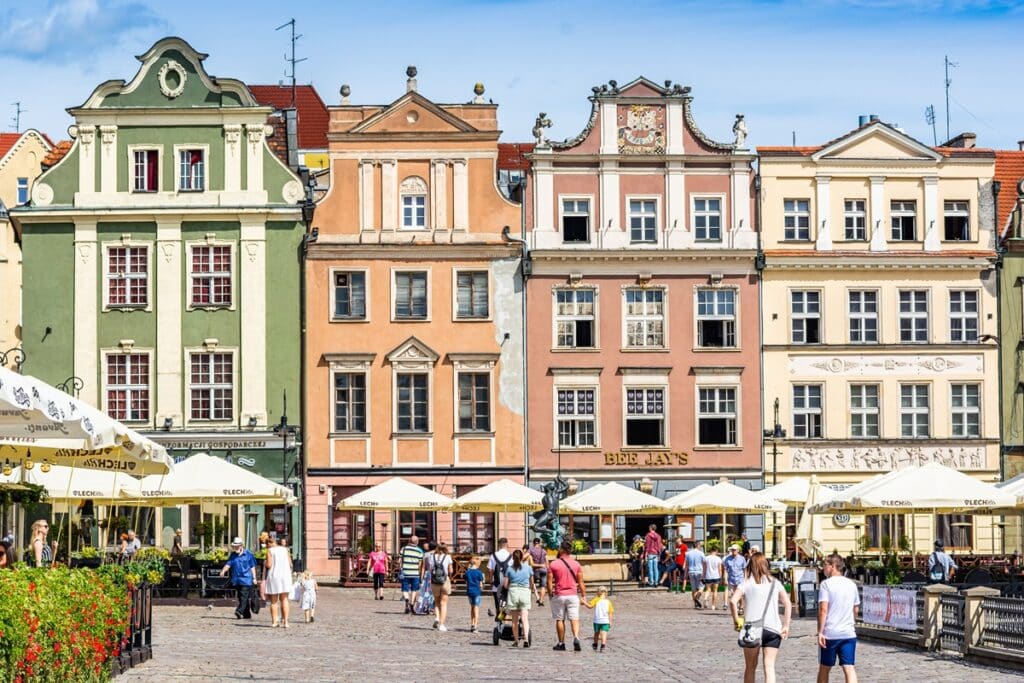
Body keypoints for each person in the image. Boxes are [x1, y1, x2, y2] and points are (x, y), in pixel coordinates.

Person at [730, 552, 791, 683]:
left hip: (751, 628)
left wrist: (736, 620)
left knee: (750, 667)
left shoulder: (746, 583)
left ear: (750, 566)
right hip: (773, 628)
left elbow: (733, 601)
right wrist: (786, 625)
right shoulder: (775, 583)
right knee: (769, 666)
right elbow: (787, 603)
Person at [817, 553, 860, 683]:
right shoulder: (851, 584)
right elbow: (856, 609)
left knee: (825, 667)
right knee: (849, 667)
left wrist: (820, 631)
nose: (823, 568)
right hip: (848, 633)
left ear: (833, 566)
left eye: (825, 564)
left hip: (830, 633)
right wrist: (850, 621)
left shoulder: (826, 584)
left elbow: (823, 609)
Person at [547, 539, 587, 652]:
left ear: (561, 550)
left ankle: (561, 643)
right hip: (573, 595)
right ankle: (576, 637)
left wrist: (550, 594)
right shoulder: (576, 564)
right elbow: (581, 582)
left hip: (559, 594)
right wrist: (583, 595)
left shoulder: (554, 564)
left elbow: (549, 582)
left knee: (560, 619)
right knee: (574, 618)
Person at [219, 537, 257, 620]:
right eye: (234, 546)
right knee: (241, 597)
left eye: (236, 546)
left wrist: (254, 578)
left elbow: (252, 567)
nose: (235, 548)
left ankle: (239, 611)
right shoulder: (233, 555)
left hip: (246, 579)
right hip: (236, 580)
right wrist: (223, 571)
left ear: (241, 546)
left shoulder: (248, 554)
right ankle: (247, 614)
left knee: (243, 596)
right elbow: (228, 564)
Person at [504, 549, 534, 647]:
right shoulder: (528, 568)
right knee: (525, 618)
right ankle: (526, 639)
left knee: (514, 620)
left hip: (513, 592)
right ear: (522, 557)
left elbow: (505, 585)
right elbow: (532, 583)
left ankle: (516, 640)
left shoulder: (509, 569)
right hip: (525, 591)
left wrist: (511, 587)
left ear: (513, 558)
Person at [264, 535, 294, 628]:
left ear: (270, 543)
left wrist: (264, 563)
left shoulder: (270, 551)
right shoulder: (285, 550)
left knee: (274, 601)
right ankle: (286, 622)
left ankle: (274, 622)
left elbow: (269, 565)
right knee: (284, 599)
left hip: (274, 576)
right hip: (285, 576)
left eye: (267, 545)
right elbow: (290, 564)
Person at [426, 543, 453, 632]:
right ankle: (441, 624)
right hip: (444, 581)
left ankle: (437, 618)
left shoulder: (432, 557)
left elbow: (430, 570)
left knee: (437, 602)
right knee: (444, 603)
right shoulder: (447, 557)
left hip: (434, 582)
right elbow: (451, 570)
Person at [399, 535, 425, 614]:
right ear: (417, 542)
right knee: (414, 589)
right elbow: (420, 564)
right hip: (415, 573)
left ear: (409, 541)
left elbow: (400, 561)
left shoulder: (404, 549)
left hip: (405, 572)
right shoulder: (419, 551)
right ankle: (412, 603)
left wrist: (401, 569)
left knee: (405, 588)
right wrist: (420, 573)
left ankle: (406, 599)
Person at [488, 537, 512, 616]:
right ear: (507, 544)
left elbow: (490, 570)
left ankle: (499, 622)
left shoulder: (493, 556)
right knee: (505, 604)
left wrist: (490, 580)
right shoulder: (511, 556)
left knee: (497, 604)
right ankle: (504, 620)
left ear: (499, 545)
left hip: (496, 584)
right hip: (507, 584)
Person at [587, 586, 614, 651]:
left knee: (596, 633)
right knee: (604, 633)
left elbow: (590, 606)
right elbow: (610, 612)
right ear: (606, 593)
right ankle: (603, 645)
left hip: (597, 620)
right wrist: (610, 621)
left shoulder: (596, 599)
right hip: (605, 620)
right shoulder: (608, 601)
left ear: (598, 593)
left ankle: (595, 644)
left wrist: (584, 602)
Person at [465, 556, 484, 632]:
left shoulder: (467, 572)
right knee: (476, 608)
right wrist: (481, 588)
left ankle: (472, 624)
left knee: (472, 608)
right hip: (476, 592)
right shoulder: (479, 572)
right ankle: (475, 626)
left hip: (469, 591)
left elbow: (466, 583)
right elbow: (481, 584)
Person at [684, 540, 706, 609]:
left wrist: (685, 574)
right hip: (699, 571)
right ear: (698, 545)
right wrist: (704, 573)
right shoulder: (701, 553)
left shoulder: (688, 553)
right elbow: (704, 563)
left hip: (691, 572)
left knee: (693, 589)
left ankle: (695, 604)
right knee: (701, 587)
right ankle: (697, 597)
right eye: (700, 545)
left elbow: (686, 565)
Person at [528, 538, 549, 605]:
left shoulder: (531, 550)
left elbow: (529, 561)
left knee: (532, 583)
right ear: (539, 543)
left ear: (533, 543)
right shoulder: (543, 551)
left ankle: (537, 597)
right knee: (543, 586)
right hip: (543, 570)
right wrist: (546, 567)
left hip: (535, 570)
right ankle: (541, 600)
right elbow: (547, 562)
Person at [704, 545, 725, 610]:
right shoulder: (718, 559)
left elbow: (704, 568)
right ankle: (713, 605)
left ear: (711, 551)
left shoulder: (706, 558)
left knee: (708, 590)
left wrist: (703, 575)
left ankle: (705, 598)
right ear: (716, 551)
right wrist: (721, 577)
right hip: (716, 576)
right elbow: (720, 569)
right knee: (715, 591)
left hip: (708, 575)